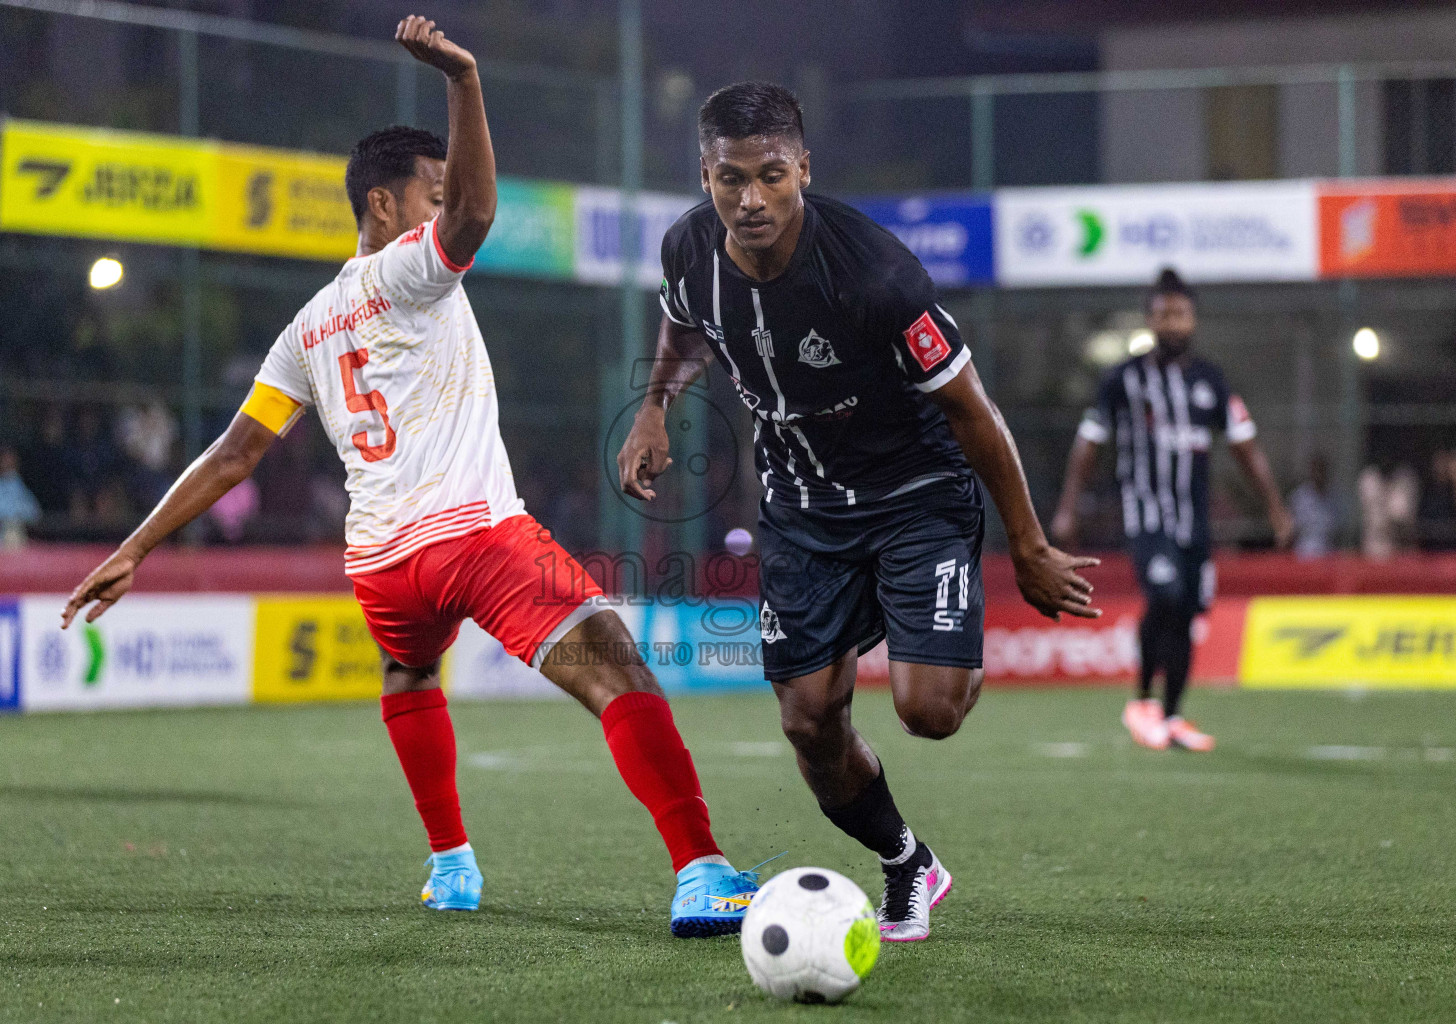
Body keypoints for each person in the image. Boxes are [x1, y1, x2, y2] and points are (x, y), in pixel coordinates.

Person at [62, 15, 761, 939]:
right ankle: (701, 872)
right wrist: (464, 79)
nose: (446, 205)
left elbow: (234, 454)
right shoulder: (407, 272)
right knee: (618, 670)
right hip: (472, 536)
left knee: (407, 675)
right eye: (430, 192)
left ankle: (450, 865)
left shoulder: (306, 326)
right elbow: (474, 217)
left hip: (382, 564)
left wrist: (134, 548)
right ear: (385, 208)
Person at [617, 82, 1100, 943]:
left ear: (804, 166)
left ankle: (931, 627)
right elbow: (683, 327)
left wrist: (1028, 544)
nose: (751, 198)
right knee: (808, 720)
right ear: (705, 174)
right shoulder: (689, 249)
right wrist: (656, 405)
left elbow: (973, 412)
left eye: (772, 175)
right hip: (801, 509)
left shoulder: (876, 273)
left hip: (915, 492)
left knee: (929, 712)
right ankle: (909, 862)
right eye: (731, 179)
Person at [1052, 268, 1292, 753]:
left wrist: (1275, 508)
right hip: (1146, 513)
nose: (1173, 323)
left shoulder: (1211, 380)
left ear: (1194, 321)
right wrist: (1068, 508)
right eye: (1164, 314)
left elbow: (1245, 446)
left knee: (1185, 612)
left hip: (1195, 520)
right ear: (1150, 320)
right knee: (1164, 595)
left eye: (1181, 314)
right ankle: (1141, 701)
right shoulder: (1123, 378)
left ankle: (1173, 714)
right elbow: (1089, 442)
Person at [0, 443, 42, 547]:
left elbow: (34, 512)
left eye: (11, 457)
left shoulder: (14, 480)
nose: (8, 461)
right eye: (4, 456)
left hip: (9, 542)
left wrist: (11, 517)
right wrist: (16, 515)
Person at [1289, 453, 1336, 560]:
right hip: (1304, 555)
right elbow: (1292, 532)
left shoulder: (1335, 498)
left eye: (1322, 470)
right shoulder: (1299, 497)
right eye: (1317, 470)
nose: (1319, 474)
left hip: (1328, 556)